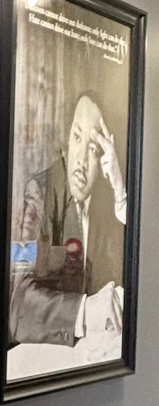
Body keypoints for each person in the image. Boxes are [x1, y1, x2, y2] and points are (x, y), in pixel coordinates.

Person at [9, 92, 126, 347]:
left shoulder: (109, 200)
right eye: (77, 137)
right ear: (66, 143)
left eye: (93, 149)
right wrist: (84, 311)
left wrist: (120, 193)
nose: (81, 161)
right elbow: (17, 301)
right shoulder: (38, 194)